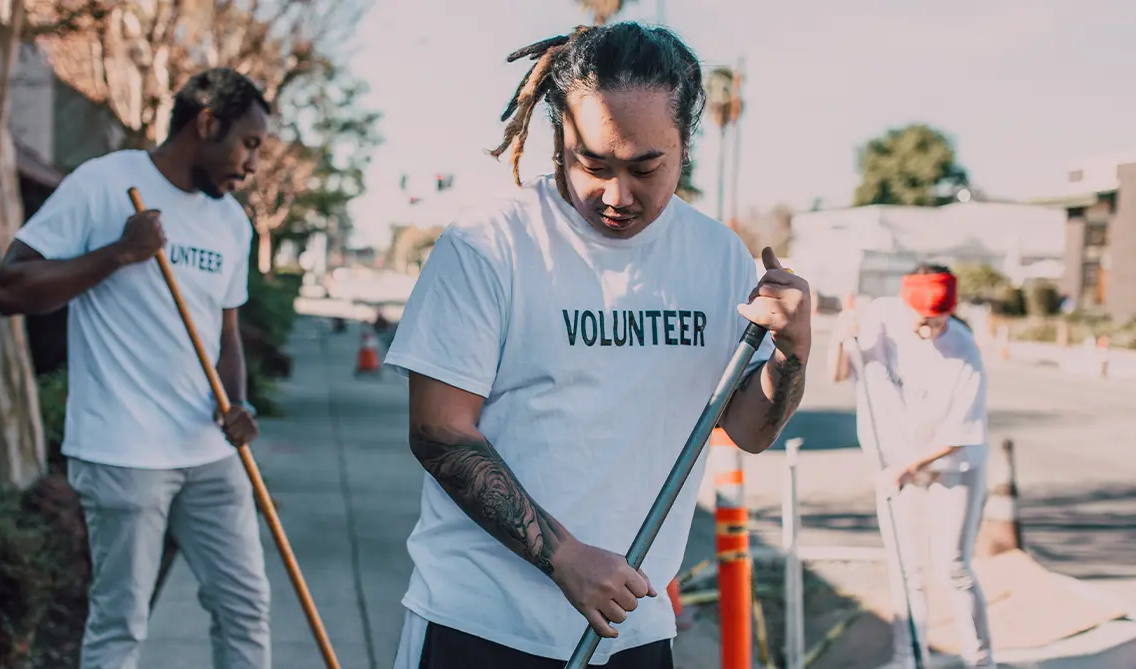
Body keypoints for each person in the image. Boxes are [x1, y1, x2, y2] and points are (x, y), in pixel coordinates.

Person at [381, 23, 813, 669]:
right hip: (482, 623)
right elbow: (439, 430)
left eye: (644, 167)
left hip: (633, 628)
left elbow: (748, 428)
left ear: (685, 143)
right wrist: (565, 557)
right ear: (558, 139)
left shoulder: (717, 254)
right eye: (592, 164)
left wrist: (793, 350)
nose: (616, 196)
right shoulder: (488, 244)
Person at [0, 67, 271, 669]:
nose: (251, 165)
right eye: (249, 144)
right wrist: (119, 252)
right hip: (123, 452)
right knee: (121, 626)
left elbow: (224, 333)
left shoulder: (231, 223)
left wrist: (239, 404)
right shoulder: (105, 183)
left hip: (209, 452)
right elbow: (10, 288)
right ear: (207, 122)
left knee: (246, 607)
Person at [843, 264, 996, 669]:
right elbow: (841, 372)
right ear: (904, 302)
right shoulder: (880, 317)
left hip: (953, 465)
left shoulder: (963, 349)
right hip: (896, 462)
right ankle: (908, 658)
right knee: (905, 568)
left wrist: (903, 468)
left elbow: (959, 434)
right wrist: (842, 336)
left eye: (937, 321)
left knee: (952, 566)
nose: (928, 330)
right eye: (921, 320)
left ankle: (981, 661)